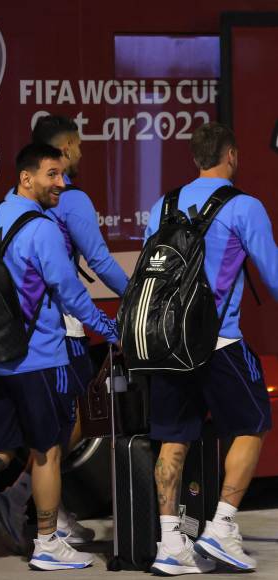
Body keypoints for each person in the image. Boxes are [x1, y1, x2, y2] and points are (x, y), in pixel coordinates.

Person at [0, 143, 119, 575]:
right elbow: (69, 293)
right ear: (26, 177)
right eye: (53, 175)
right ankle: (47, 542)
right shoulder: (43, 230)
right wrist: (109, 329)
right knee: (46, 452)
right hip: (39, 360)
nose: (62, 183)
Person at [0, 115, 129, 549]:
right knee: (68, 424)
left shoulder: (13, 203)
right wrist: (139, 297)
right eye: (77, 146)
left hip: (15, 335)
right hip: (61, 327)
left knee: (50, 425)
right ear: (62, 149)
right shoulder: (72, 200)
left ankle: (50, 511)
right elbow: (98, 262)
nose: (81, 154)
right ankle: (26, 503)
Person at [146, 122, 278, 576]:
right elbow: (274, 277)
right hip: (219, 341)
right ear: (232, 156)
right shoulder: (245, 206)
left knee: (173, 439)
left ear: (195, 157)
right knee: (254, 421)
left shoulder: (161, 206)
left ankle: (169, 546)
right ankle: (221, 527)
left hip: (164, 344)